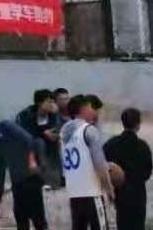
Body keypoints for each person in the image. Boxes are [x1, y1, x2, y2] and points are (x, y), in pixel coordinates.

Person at [0, 113, 46, 230]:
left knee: (38, 217)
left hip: (31, 177)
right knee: (20, 217)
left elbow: (29, 140)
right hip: (17, 182)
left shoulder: (6, 126)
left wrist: (32, 160)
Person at [61, 95, 114, 230]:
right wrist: (109, 188)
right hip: (92, 193)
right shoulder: (89, 130)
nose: (93, 111)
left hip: (74, 193)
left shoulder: (64, 132)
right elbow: (99, 164)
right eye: (90, 107)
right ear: (83, 109)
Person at [103, 108, 151, 230]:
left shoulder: (111, 144)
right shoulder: (143, 146)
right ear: (138, 124)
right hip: (138, 195)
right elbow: (147, 173)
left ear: (123, 122)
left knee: (122, 224)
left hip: (120, 194)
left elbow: (102, 164)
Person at [16, 89, 62, 187]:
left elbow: (56, 128)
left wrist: (55, 135)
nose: (52, 105)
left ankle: (57, 176)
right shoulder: (26, 114)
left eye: (53, 102)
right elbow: (25, 134)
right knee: (39, 142)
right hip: (29, 145)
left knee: (57, 143)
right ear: (40, 103)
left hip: (48, 143)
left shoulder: (53, 114)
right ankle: (43, 177)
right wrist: (44, 133)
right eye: (49, 102)